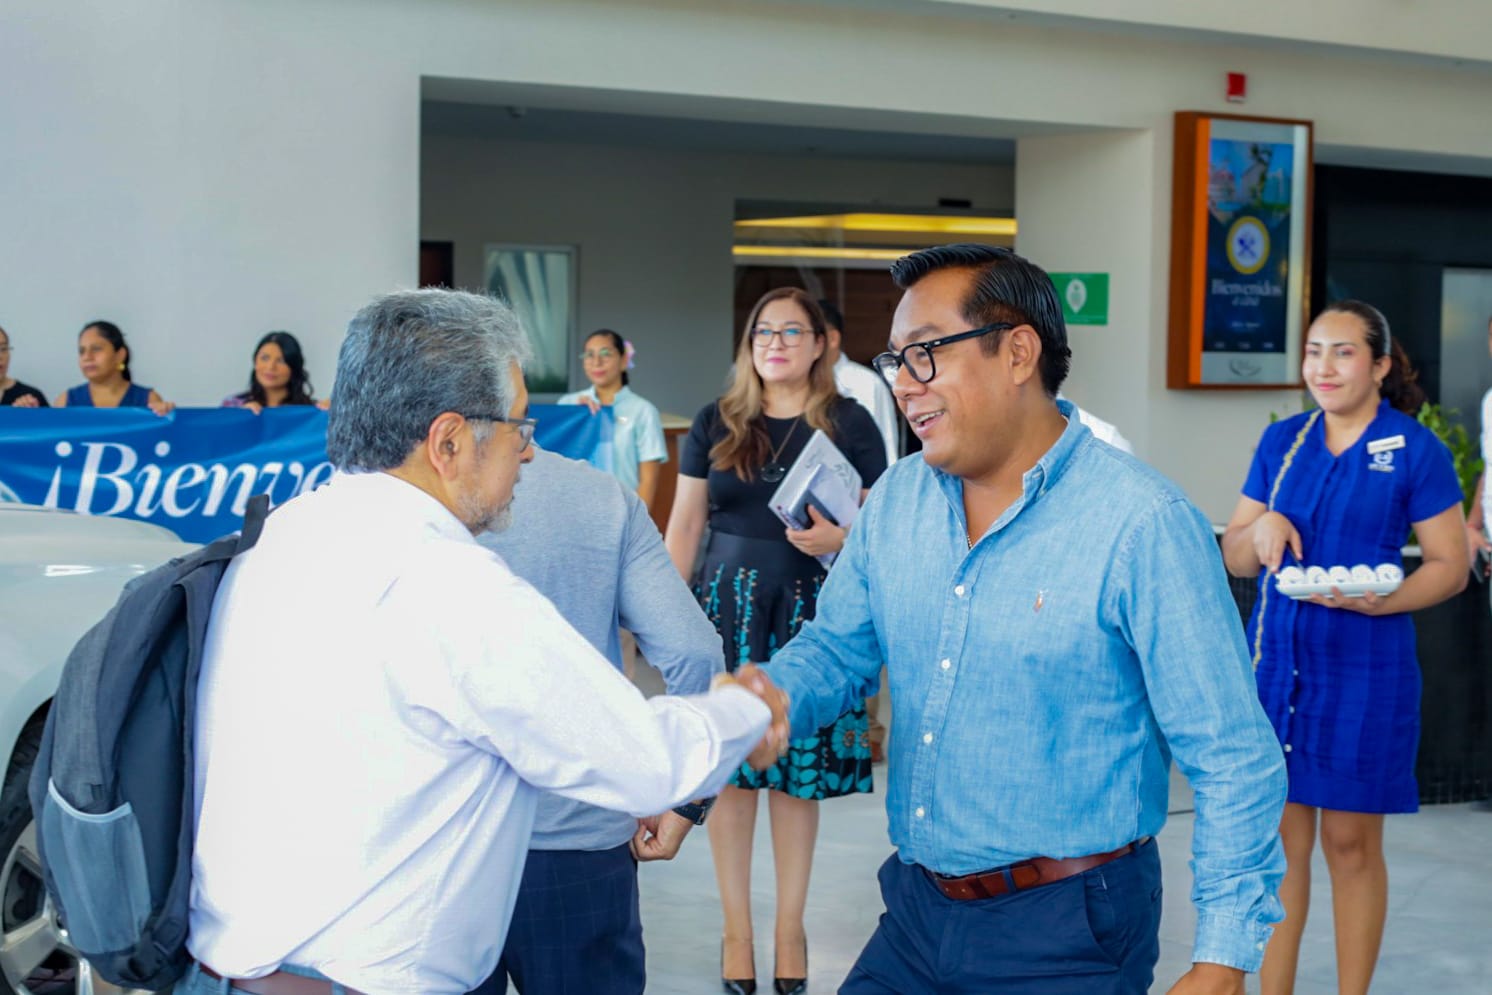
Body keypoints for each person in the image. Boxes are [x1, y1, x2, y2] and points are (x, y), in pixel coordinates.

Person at [178, 289, 788, 995]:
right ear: (448, 442)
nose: (528, 452)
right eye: (516, 426)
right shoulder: (445, 581)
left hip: (229, 969)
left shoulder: (280, 537)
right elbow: (644, 762)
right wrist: (746, 710)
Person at [747, 244, 1288, 994]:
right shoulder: (898, 501)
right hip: (914, 910)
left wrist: (1224, 957)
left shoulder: (1142, 523)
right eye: (894, 360)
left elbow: (1232, 754)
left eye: (926, 353)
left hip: (1069, 928)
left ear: (1018, 353)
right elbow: (838, 650)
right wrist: (764, 698)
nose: (904, 383)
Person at [1221, 300, 1469, 995]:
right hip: (1277, 670)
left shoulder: (1413, 449)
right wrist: (1263, 524)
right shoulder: (1284, 443)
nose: (1322, 367)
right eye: (1312, 351)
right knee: (1279, 849)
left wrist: (1385, 599)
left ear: (1381, 365)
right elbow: (1238, 555)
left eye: (1343, 352)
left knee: (1351, 845)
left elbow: (1450, 565)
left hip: (1367, 672)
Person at [665, 288, 887, 995]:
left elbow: (885, 532)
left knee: (798, 777)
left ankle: (790, 928)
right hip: (722, 612)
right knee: (729, 771)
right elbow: (685, 527)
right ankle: (737, 930)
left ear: (822, 343)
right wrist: (666, 622)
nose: (777, 342)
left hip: (812, 614)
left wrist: (841, 539)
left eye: (794, 330)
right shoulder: (716, 420)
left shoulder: (851, 424)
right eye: (765, 330)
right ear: (749, 342)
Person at [467, 444, 726, 995]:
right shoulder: (600, 496)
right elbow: (696, 653)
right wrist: (688, 796)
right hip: (580, 845)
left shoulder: (395, 502)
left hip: (443, 851)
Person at [817, 299, 899, 766]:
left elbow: (882, 460)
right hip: (804, 533)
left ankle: (866, 737)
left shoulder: (864, 385)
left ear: (828, 338)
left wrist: (855, 531)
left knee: (861, 632)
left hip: (851, 527)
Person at [559, 329, 668, 510]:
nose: (596, 362)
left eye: (605, 354)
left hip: (622, 511)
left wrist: (634, 525)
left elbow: (648, 480)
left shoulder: (643, 411)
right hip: (574, 510)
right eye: (589, 355)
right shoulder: (568, 404)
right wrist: (575, 417)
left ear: (624, 360)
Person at [54, 320, 172, 413]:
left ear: (120, 355)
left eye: (96, 349)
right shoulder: (65, 402)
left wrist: (167, 415)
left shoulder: (148, 400)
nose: (87, 357)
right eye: (82, 351)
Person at [223, 331, 329, 412]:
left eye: (281, 361)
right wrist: (240, 417)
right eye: (264, 358)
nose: (270, 367)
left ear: (293, 367)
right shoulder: (233, 405)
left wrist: (336, 414)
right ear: (255, 362)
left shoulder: (311, 411)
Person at [0, 324, 48, 406]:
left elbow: (49, 418)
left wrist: (30, 415)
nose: (0, 356)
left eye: (3, 349)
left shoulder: (31, 396)